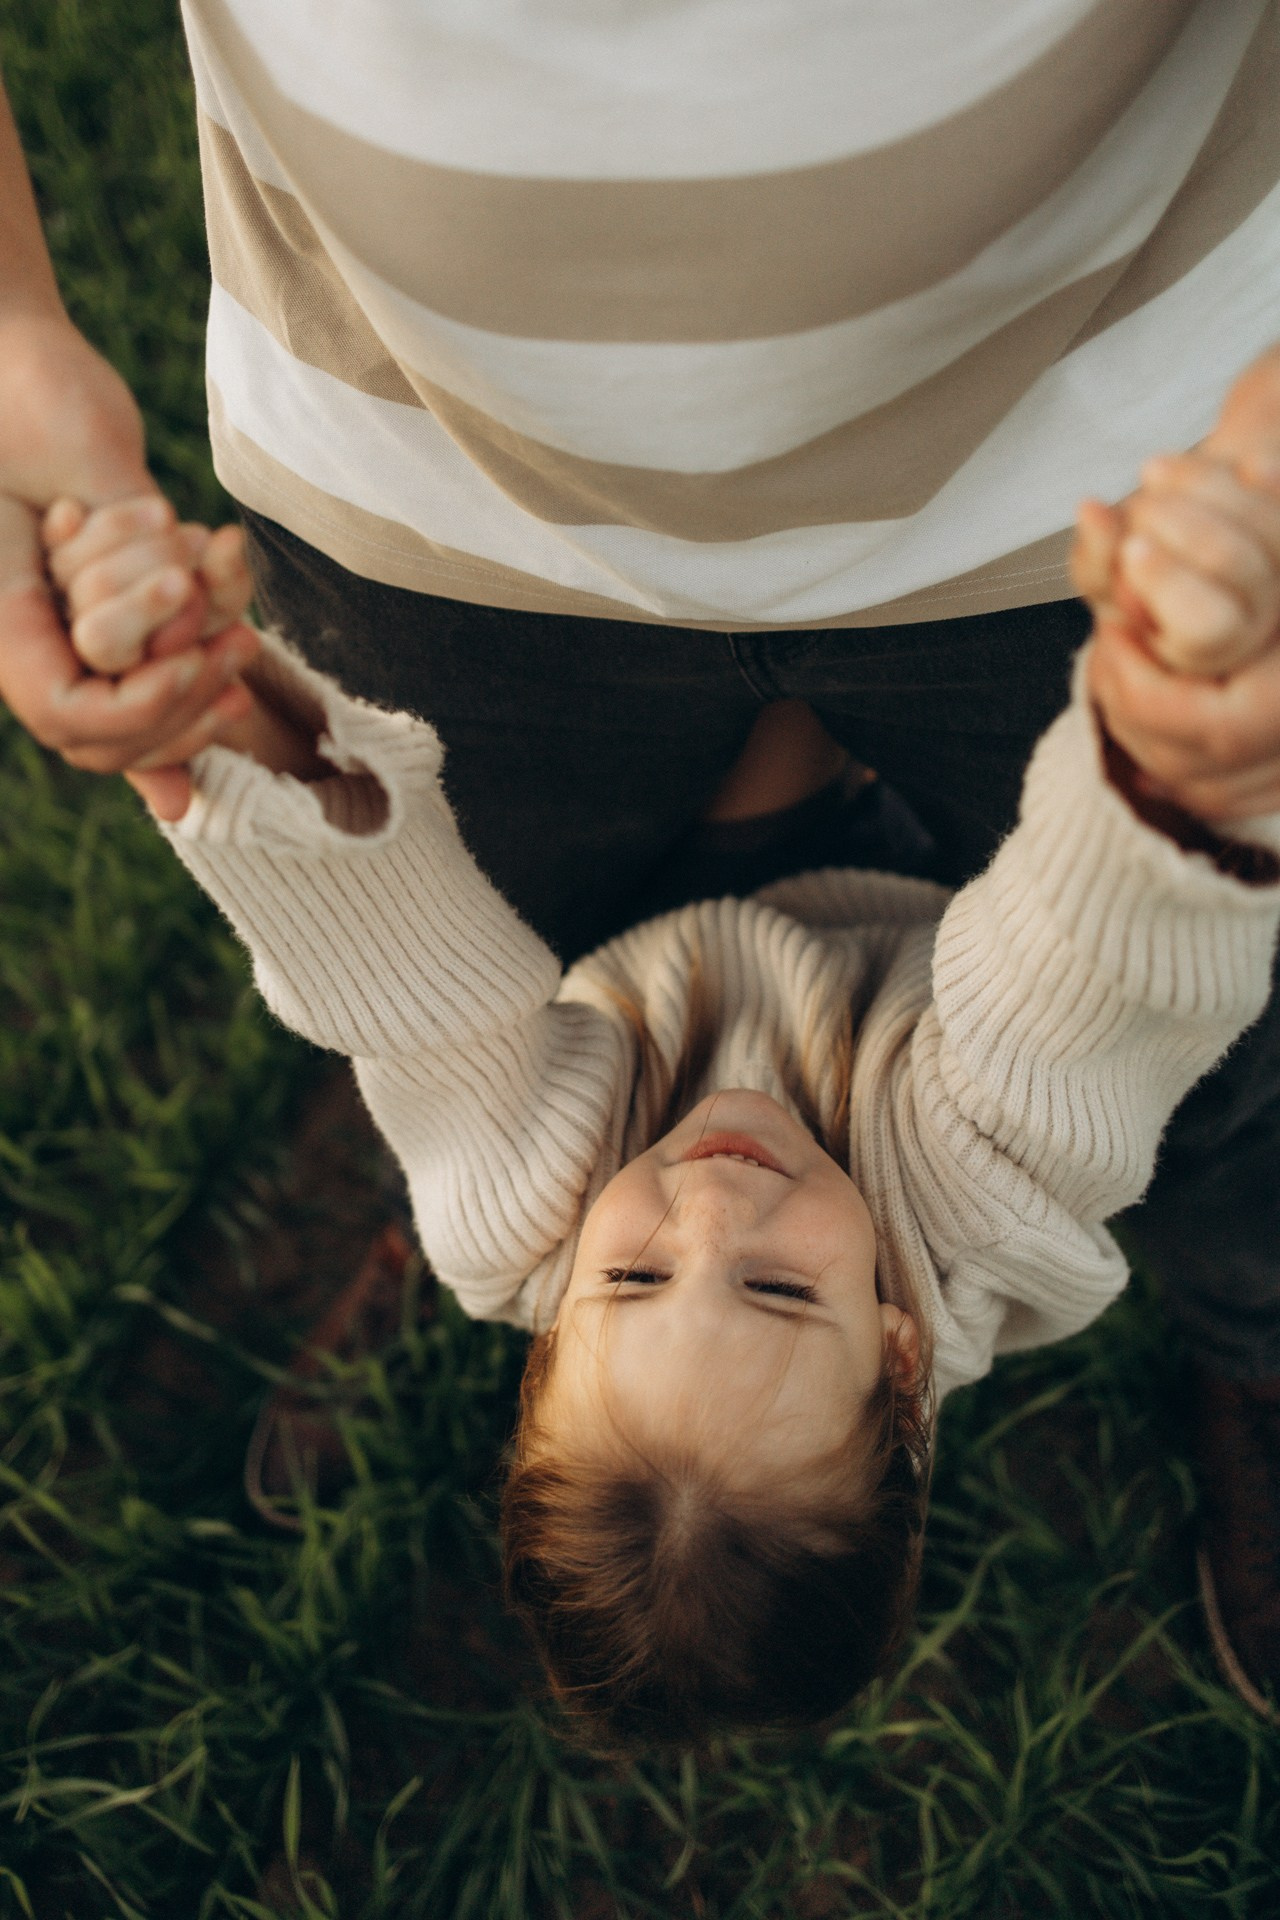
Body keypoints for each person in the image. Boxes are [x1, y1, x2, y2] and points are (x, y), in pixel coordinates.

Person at [4, 4, 1280, 1719]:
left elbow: (418, 1002)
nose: (713, 1200)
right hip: (908, 869)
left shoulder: (513, 1217)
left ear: (540, 1329)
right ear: (905, 1359)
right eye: (775, 1287)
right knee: (1216, 1088)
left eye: (630, 1277)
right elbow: (1081, 997)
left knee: (476, 923)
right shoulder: (992, 1216)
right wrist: (1161, 768)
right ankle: (1252, 1323)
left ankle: (1238, 1308)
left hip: (704, 852)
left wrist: (224, 742)